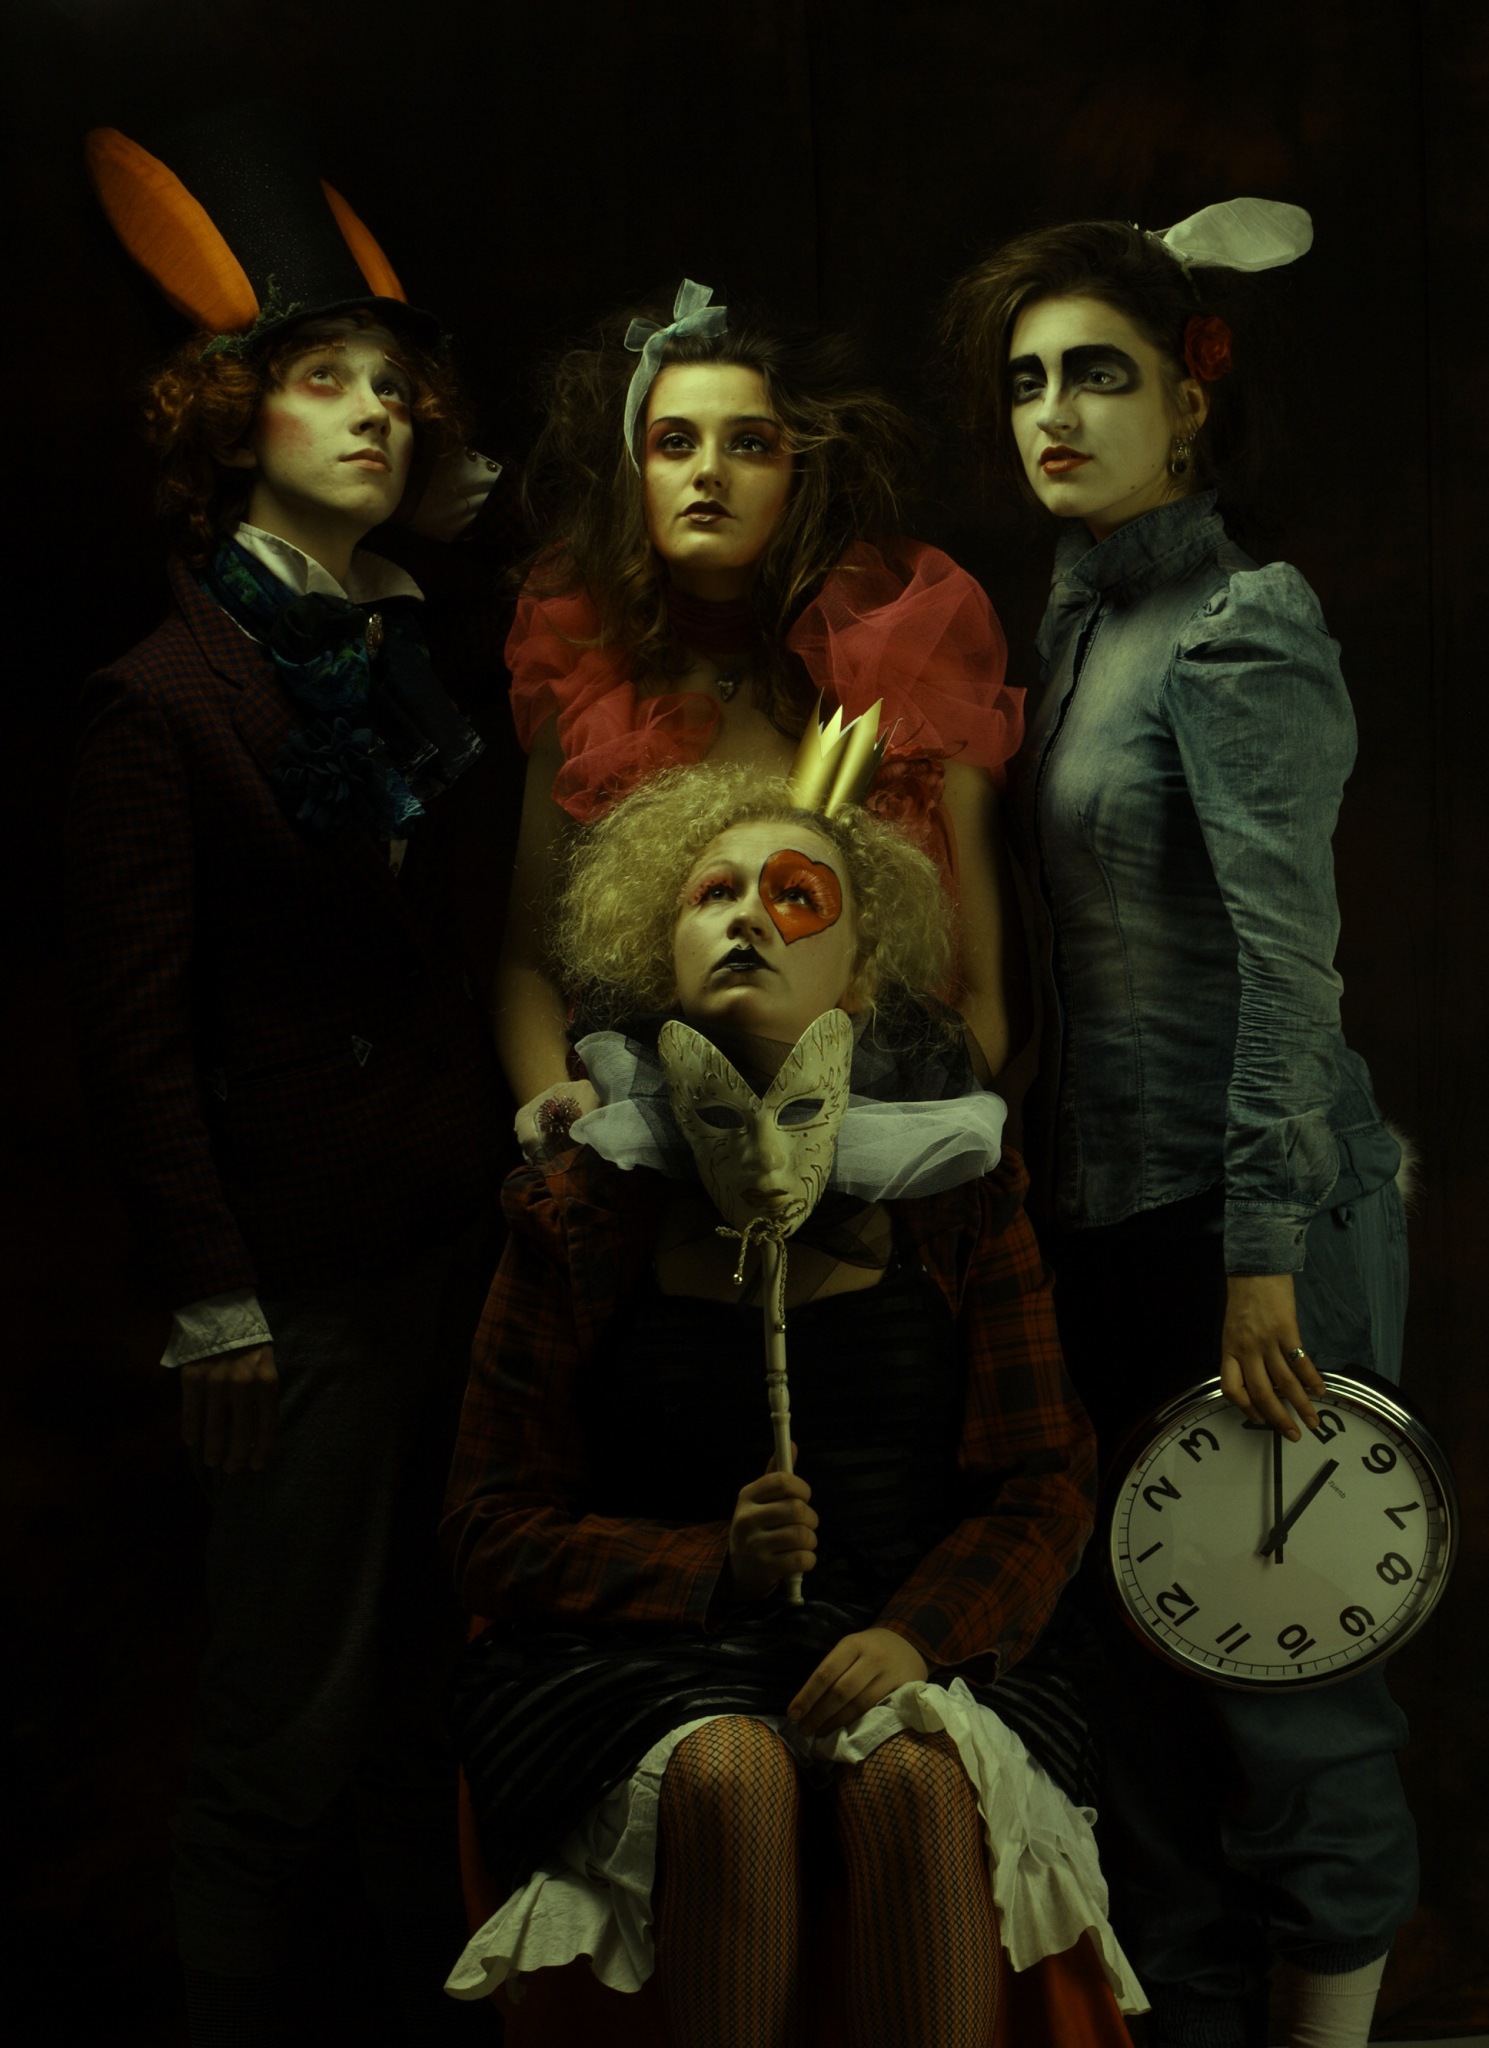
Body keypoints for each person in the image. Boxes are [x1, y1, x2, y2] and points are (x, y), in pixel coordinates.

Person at [441, 764, 1144, 2048]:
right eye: (713, 894)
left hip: (902, 1628)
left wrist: (917, 1636)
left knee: (916, 1782)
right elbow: (490, 1523)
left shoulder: (956, 1194)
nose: (749, 917)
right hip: (631, 1659)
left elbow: (1043, 1482)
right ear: (659, 960)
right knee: (730, 1778)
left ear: (861, 978)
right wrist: (709, 1561)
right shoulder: (581, 1209)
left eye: (795, 894)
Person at [940, 203, 1415, 2048]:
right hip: (1106, 1226)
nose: (1053, 413)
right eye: (1026, 382)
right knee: (1134, 1685)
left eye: (1098, 375)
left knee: (1289, 1670)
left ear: (1187, 402)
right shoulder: (1081, 622)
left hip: (1255, 1227)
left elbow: (1292, 974)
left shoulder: (1237, 626)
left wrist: (1260, 1255)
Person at [66, 104, 504, 2044]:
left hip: (454, 1250)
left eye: (394, 390)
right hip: (293, 1290)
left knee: (430, 1704)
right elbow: (135, 1037)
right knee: (282, 1723)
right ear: (236, 414)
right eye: (326, 382)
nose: (373, 415)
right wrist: (213, 1297)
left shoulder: (419, 650)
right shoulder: (160, 701)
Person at [495, 280, 1027, 1158]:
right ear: (635, 472)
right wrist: (571, 1117)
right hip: (642, 1153)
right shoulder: (587, 666)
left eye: (749, 443)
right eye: (673, 442)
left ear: (799, 472)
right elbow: (526, 967)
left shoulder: (904, 651)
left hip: (881, 1139)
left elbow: (983, 997)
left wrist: (875, 1155)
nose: (707, 472)